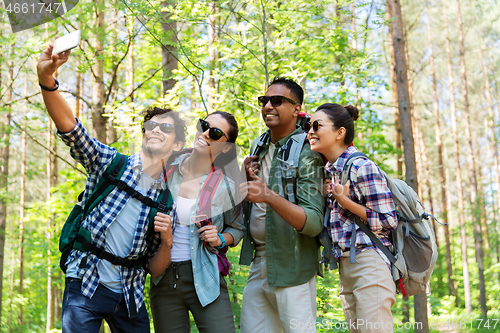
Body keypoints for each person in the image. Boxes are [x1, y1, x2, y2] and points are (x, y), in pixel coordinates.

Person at [37, 44, 184, 332]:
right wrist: (47, 80)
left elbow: (155, 269)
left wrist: (167, 240)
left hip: (130, 296)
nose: (155, 130)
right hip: (86, 282)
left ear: (177, 145)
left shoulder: (167, 202)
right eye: (151, 125)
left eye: (165, 129)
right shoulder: (109, 163)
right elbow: (70, 127)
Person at [239, 77, 325, 333]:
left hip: (292, 264)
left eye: (277, 101)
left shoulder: (308, 152)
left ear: (296, 108)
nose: (267, 106)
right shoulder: (259, 145)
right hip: (260, 261)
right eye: (264, 100)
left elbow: (313, 222)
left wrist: (268, 195)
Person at [148, 111, 245, 333]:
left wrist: (220, 238)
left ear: (226, 147)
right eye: (204, 125)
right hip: (163, 279)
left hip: (206, 277)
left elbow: (238, 229)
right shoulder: (166, 168)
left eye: (216, 133)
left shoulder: (227, 187)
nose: (206, 133)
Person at [306, 103, 398, 333]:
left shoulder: (361, 166)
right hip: (346, 266)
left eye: (317, 125)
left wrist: (345, 201)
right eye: (309, 126)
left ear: (340, 132)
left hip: (370, 264)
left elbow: (388, 219)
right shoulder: (331, 172)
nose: (310, 131)